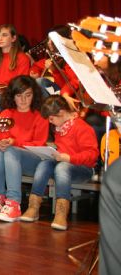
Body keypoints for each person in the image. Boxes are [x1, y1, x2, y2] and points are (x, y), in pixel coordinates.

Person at [22, 95, 98, 230]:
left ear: (62, 113)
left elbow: (92, 155)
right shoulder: (60, 128)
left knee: (62, 167)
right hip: (64, 164)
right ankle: (33, 207)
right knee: (43, 164)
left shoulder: (82, 127)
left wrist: (69, 158)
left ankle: (61, 213)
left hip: (83, 169)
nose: (50, 122)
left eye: (52, 118)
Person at [0, 75, 49, 222]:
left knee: (11, 151)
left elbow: (39, 144)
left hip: (34, 160)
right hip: (10, 156)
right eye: (19, 95)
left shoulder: (40, 115)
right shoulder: (7, 113)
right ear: (12, 97)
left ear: (34, 95)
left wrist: (14, 142)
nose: (23, 100)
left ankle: (14, 203)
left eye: (28, 95)